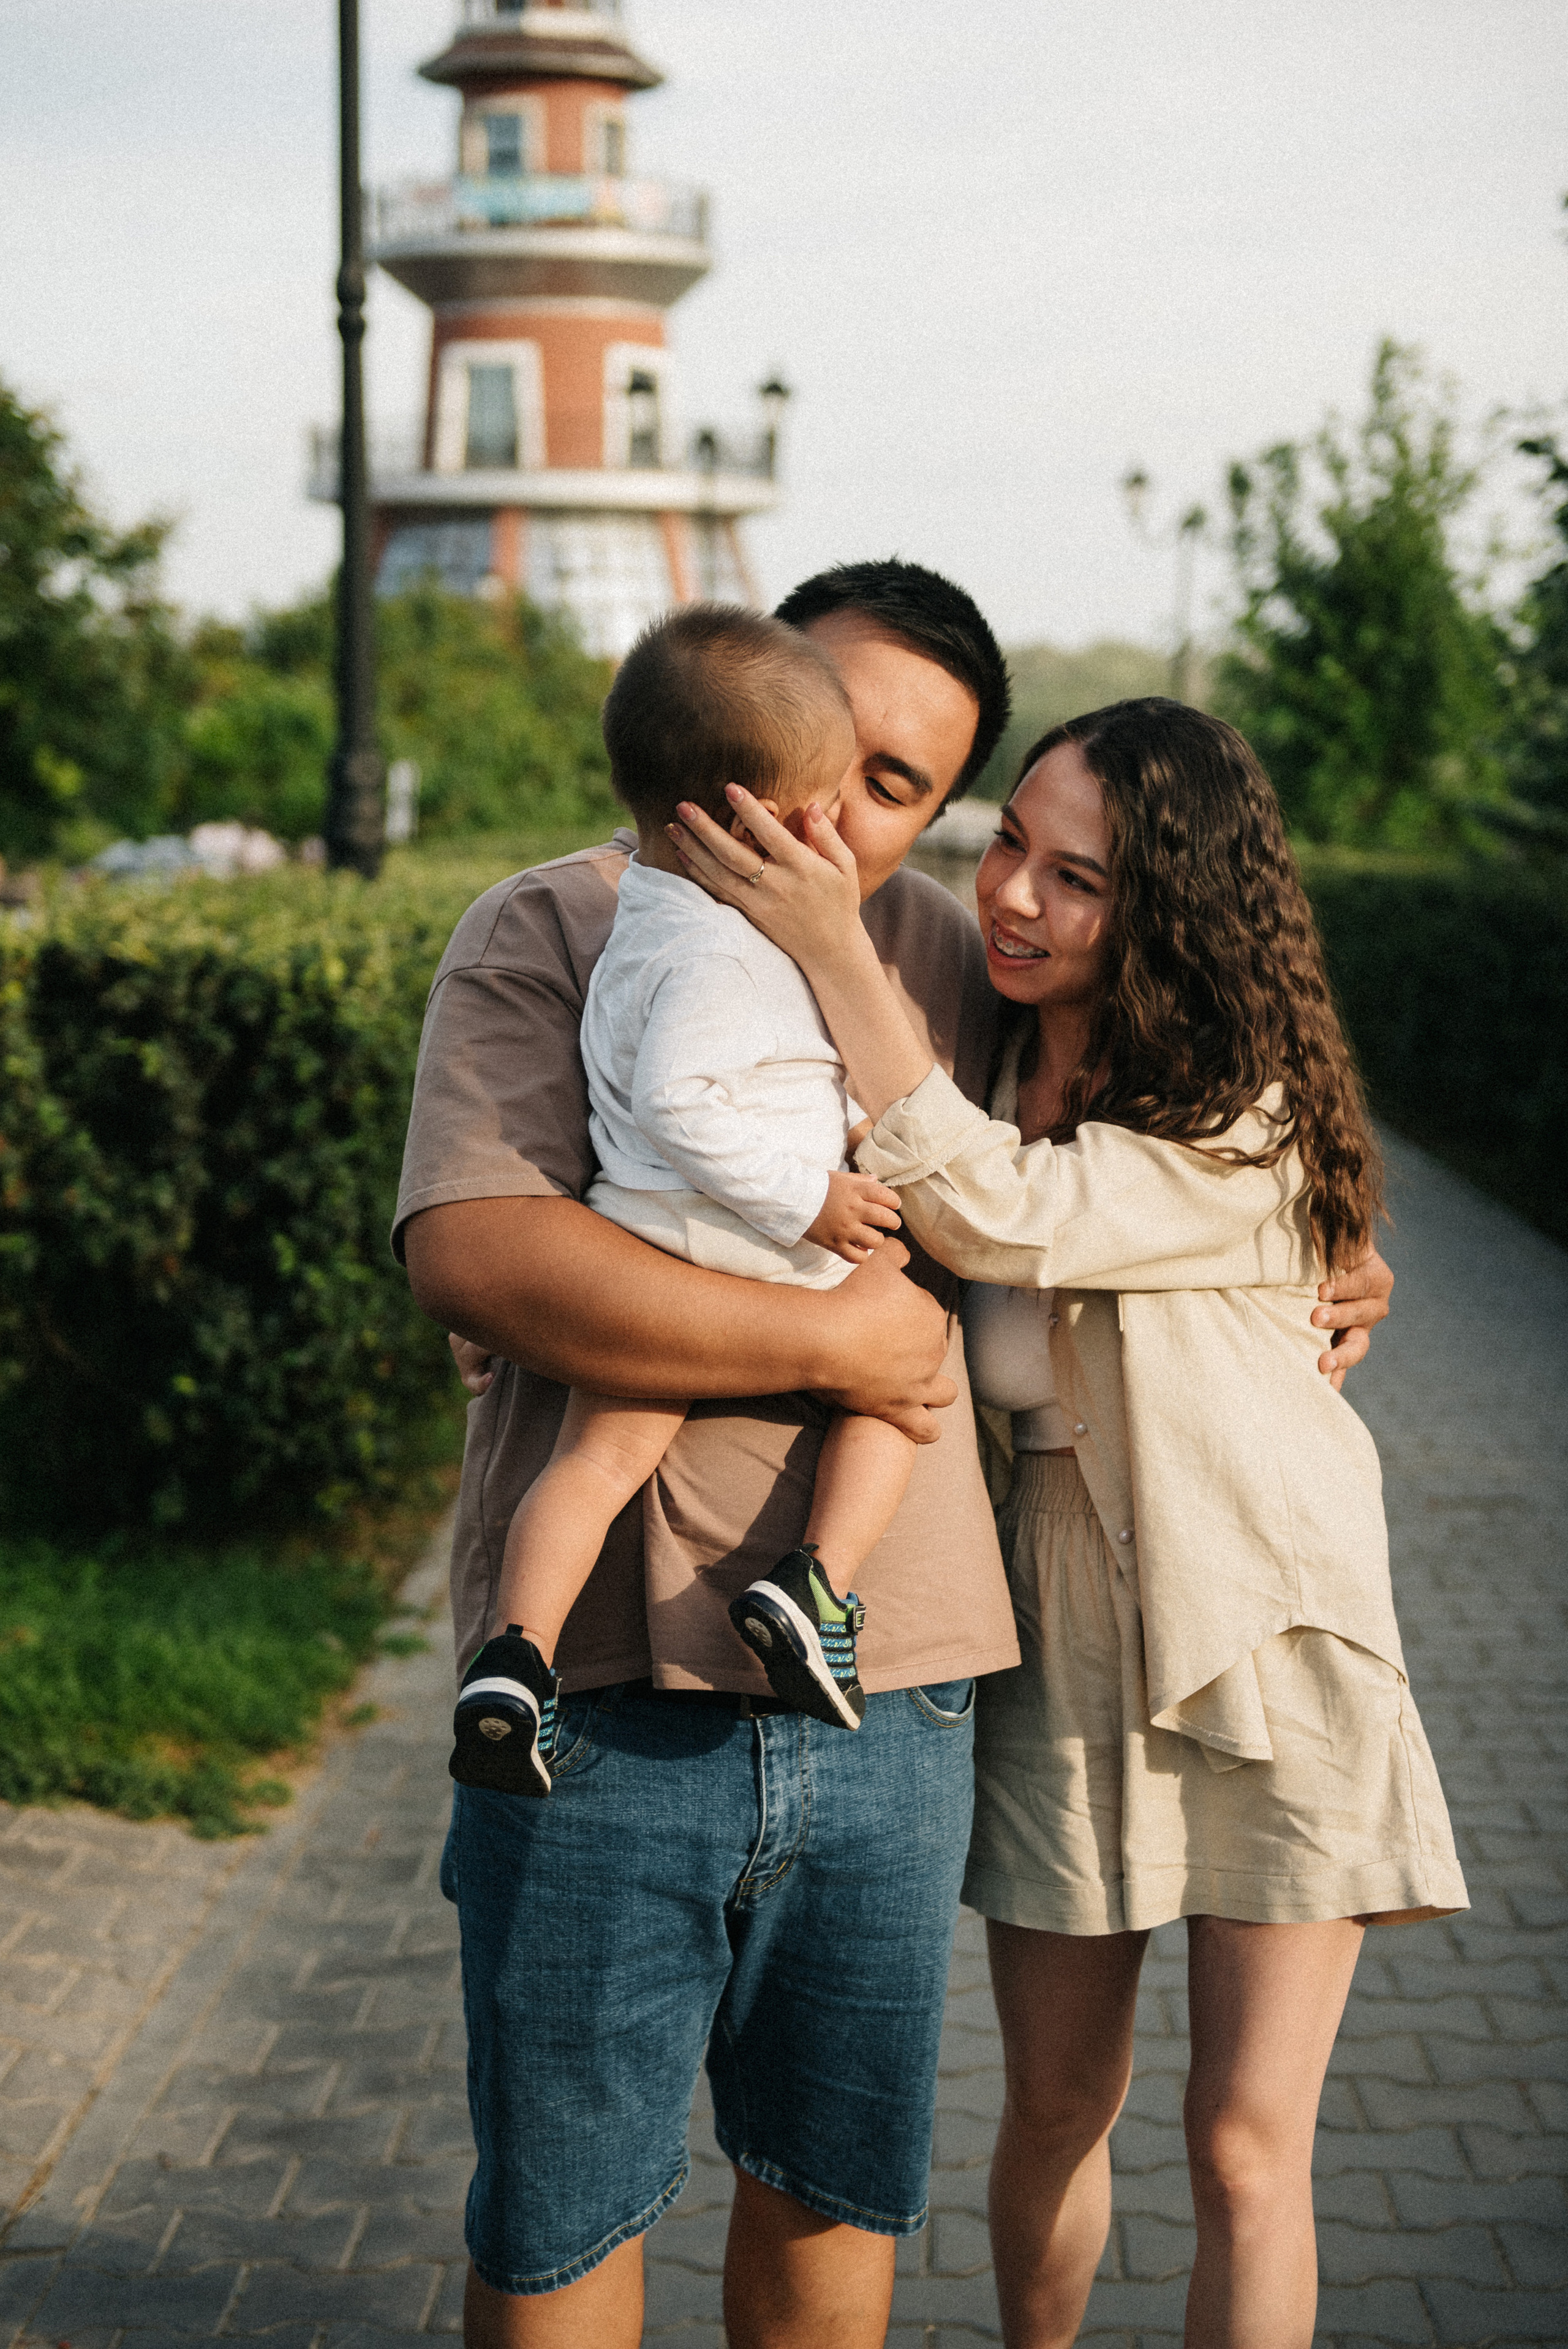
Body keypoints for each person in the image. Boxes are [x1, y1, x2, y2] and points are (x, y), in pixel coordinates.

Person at [398, 565, 1394, 2349]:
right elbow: (477, 1256)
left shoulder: (940, 949)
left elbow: (1119, 1141)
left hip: (905, 1697)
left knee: (833, 2193)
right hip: (609, 1693)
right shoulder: (557, 924)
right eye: (828, 748)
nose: (831, 819)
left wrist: (1325, 1243)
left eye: (900, 791)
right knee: (562, 2216)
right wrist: (833, 1338)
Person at [666, 697, 1463, 2349]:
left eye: (1076, 877)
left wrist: (836, 948)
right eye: (1009, 844)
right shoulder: (984, 1052)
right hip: (1062, 1670)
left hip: (1269, 1645)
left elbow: (997, 1215)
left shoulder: (1244, 1107)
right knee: (1050, 2114)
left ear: (1167, 902)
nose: (1015, 894)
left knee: (1246, 2147)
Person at [450, 607, 916, 1796]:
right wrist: (813, 1196)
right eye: (812, 802)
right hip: (739, 1238)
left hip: (644, 1245)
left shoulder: (640, 918)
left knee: (595, 1462)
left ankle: (513, 1659)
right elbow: (683, 1096)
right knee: (908, 1382)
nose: (829, 828)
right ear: (727, 820)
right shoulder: (723, 950)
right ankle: (813, 1584)